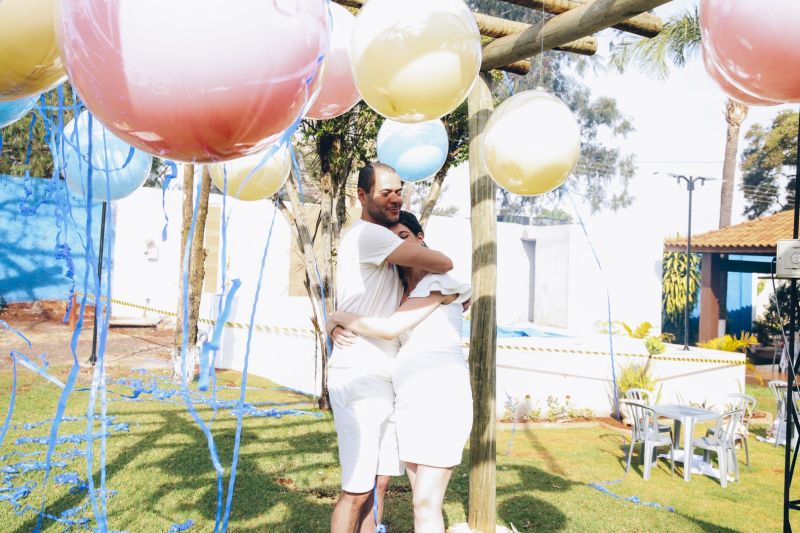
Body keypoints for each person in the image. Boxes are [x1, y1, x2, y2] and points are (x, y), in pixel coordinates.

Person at [328, 211, 472, 533]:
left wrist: (337, 317)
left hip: (442, 399)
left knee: (425, 502)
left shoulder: (440, 283)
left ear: (421, 238)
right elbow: (375, 319)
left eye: (404, 238)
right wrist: (333, 327)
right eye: (393, 242)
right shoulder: (397, 291)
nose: (399, 247)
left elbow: (389, 329)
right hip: (408, 403)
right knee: (419, 503)